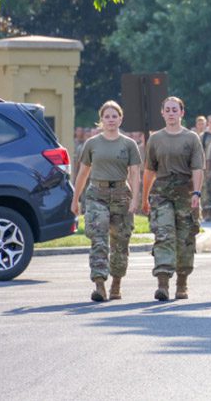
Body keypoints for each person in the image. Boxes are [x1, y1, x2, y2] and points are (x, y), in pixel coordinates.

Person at [70, 101, 141, 302]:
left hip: (120, 194)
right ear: (101, 120)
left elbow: (135, 174)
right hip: (96, 194)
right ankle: (99, 284)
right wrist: (76, 199)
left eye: (114, 116)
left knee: (121, 241)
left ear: (121, 118)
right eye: (107, 116)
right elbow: (83, 172)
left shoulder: (129, 144)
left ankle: (116, 283)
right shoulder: (92, 144)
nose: (111, 120)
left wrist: (135, 199)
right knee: (99, 239)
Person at [142, 96, 205, 301]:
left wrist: (196, 192)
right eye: (167, 110)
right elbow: (149, 170)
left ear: (181, 113)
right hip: (161, 192)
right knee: (164, 235)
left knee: (186, 238)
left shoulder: (191, 138)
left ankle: (182, 283)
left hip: (185, 191)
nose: (171, 113)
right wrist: (144, 198)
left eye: (174, 110)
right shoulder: (155, 139)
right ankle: (163, 283)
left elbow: (198, 168)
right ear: (162, 113)